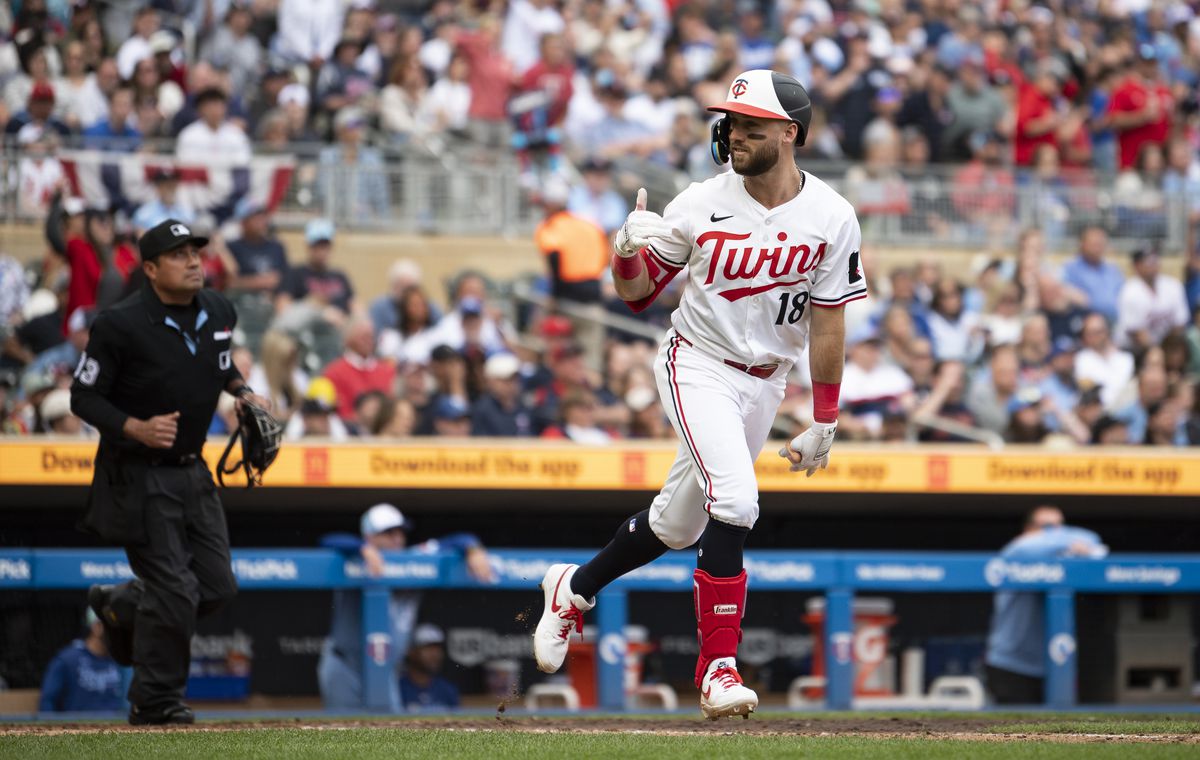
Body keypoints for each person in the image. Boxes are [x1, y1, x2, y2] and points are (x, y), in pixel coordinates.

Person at [532, 70, 866, 720]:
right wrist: (627, 254)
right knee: (737, 499)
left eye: (752, 125)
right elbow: (636, 293)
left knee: (677, 524)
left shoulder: (832, 214)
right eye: (733, 122)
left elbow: (830, 320)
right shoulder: (698, 200)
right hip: (699, 363)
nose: (735, 133)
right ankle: (718, 669)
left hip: (768, 380)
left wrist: (825, 419)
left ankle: (574, 588)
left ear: (790, 133)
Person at [73, 218, 272, 726]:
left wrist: (243, 392)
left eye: (195, 252)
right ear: (150, 268)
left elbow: (222, 366)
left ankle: (125, 605)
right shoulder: (119, 323)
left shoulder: (219, 310)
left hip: (192, 468)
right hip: (135, 473)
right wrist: (134, 427)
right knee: (177, 591)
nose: (192, 261)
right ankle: (155, 700)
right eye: (179, 254)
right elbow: (83, 396)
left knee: (217, 585)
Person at [317, 504, 493, 712]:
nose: (397, 538)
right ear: (369, 536)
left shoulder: (414, 558)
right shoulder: (353, 555)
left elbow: (457, 540)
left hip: (385, 667)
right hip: (346, 666)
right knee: (342, 732)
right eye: (388, 532)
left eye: (400, 531)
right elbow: (328, 540)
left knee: (388, 729)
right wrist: (362, 548)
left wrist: (473, 548)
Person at [985, 506, 1107, 704]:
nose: (1054, 533)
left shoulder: (1061, 556)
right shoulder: (1017, 550)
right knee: (1011, 731)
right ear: (1028, 529)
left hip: (1053, 664)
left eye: (1059, 527)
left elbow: (1095, 542)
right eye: (1047, 527)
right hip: (1011, 664)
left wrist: (1087, 549)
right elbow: (1033, 545)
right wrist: (1080, 546)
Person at [38, 609, 125, 712]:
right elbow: (47, 702)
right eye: (113, 626)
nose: (119, 632)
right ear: (97, 627)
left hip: (116, 726)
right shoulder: (68, 659)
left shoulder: (122, 661)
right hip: (78, 726)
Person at [399, 624, 460, 710]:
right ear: (411, 652)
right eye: (428, 648)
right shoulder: (397, 690)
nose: (435, 654)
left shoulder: (447, 689)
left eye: (437, 649)